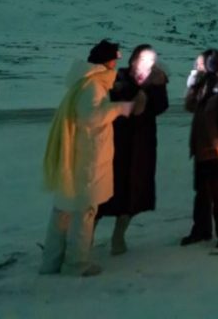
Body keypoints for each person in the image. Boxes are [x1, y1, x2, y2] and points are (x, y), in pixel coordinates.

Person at [40, 39, 143, 276]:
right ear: (106, 62)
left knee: (63, 210)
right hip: (87, 160)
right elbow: (92, 117)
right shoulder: (93, 87)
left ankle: (52, 261)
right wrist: (120, 108)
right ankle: (77, 263)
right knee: (83, 212)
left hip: (75, 157)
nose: (116, 63)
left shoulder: (83, 84)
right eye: (114, 59)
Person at [96, 44, 169, 255]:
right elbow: (110, 99)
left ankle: (119, 236)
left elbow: (161, 106)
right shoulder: (119, 77)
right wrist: (134, 91)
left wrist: (152, 91)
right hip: (117, 142)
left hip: (142, 145)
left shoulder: (156, 79)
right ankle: (85, 237)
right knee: (106, 190)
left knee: (133, 193)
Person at [182, 48, 218, 249]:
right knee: (202, 193)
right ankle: (201, 230)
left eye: (201, 63)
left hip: (215, 148)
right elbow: (189, 107)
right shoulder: (204, 82)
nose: (198, 66)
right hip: (200, 147)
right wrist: (193, 83)